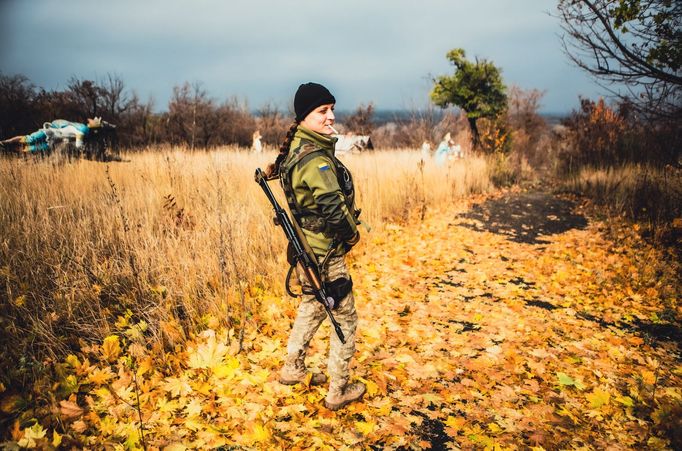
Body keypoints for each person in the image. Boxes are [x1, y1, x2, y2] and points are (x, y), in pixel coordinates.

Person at [264, 82, 365, 411]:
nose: (331, 116)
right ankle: (339, 387)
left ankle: (293, 368)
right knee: (346, 321)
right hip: (324, 254)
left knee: (312, 304)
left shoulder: (298, 148)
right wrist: (352, 236)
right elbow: (333, 208)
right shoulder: (314, 160)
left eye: (331, 109)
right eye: (323, 111)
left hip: (307, 251)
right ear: (305, 116)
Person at [1, 117, 103, 154]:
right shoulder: (82, 131)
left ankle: (6, 144)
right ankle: (7, 146)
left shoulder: (81, 127)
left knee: (28, 140)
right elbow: (78, 145)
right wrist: (84, 150)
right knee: (30, 147)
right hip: (52, 140)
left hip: (50, 133)